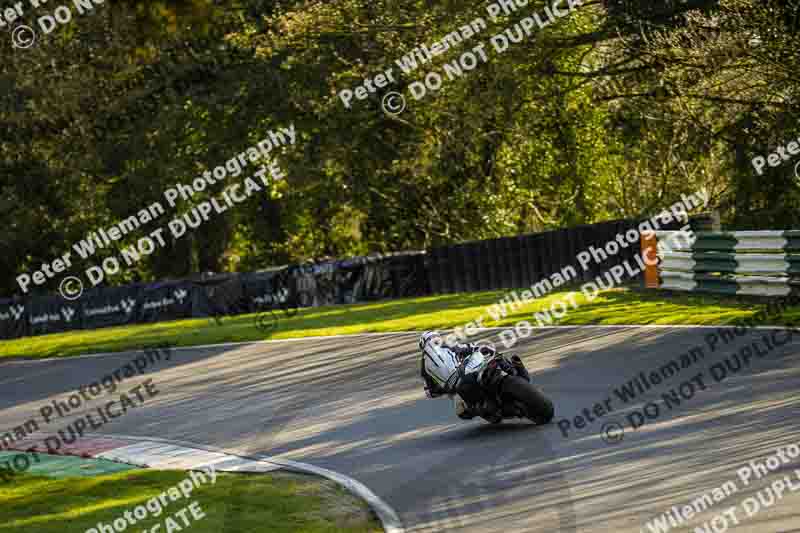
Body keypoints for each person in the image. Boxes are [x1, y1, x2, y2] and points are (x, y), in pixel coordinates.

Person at [418, 331, 530, 420]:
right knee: (492, 355)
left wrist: (443, 389)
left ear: (423, 345)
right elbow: (469, 347)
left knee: (462, 412)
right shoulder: (446, 345)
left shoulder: (424, 366)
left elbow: (430, 392)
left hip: (458, 386)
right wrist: (480, 349)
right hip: (470, 370)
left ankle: (489, 407)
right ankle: (514, 367)